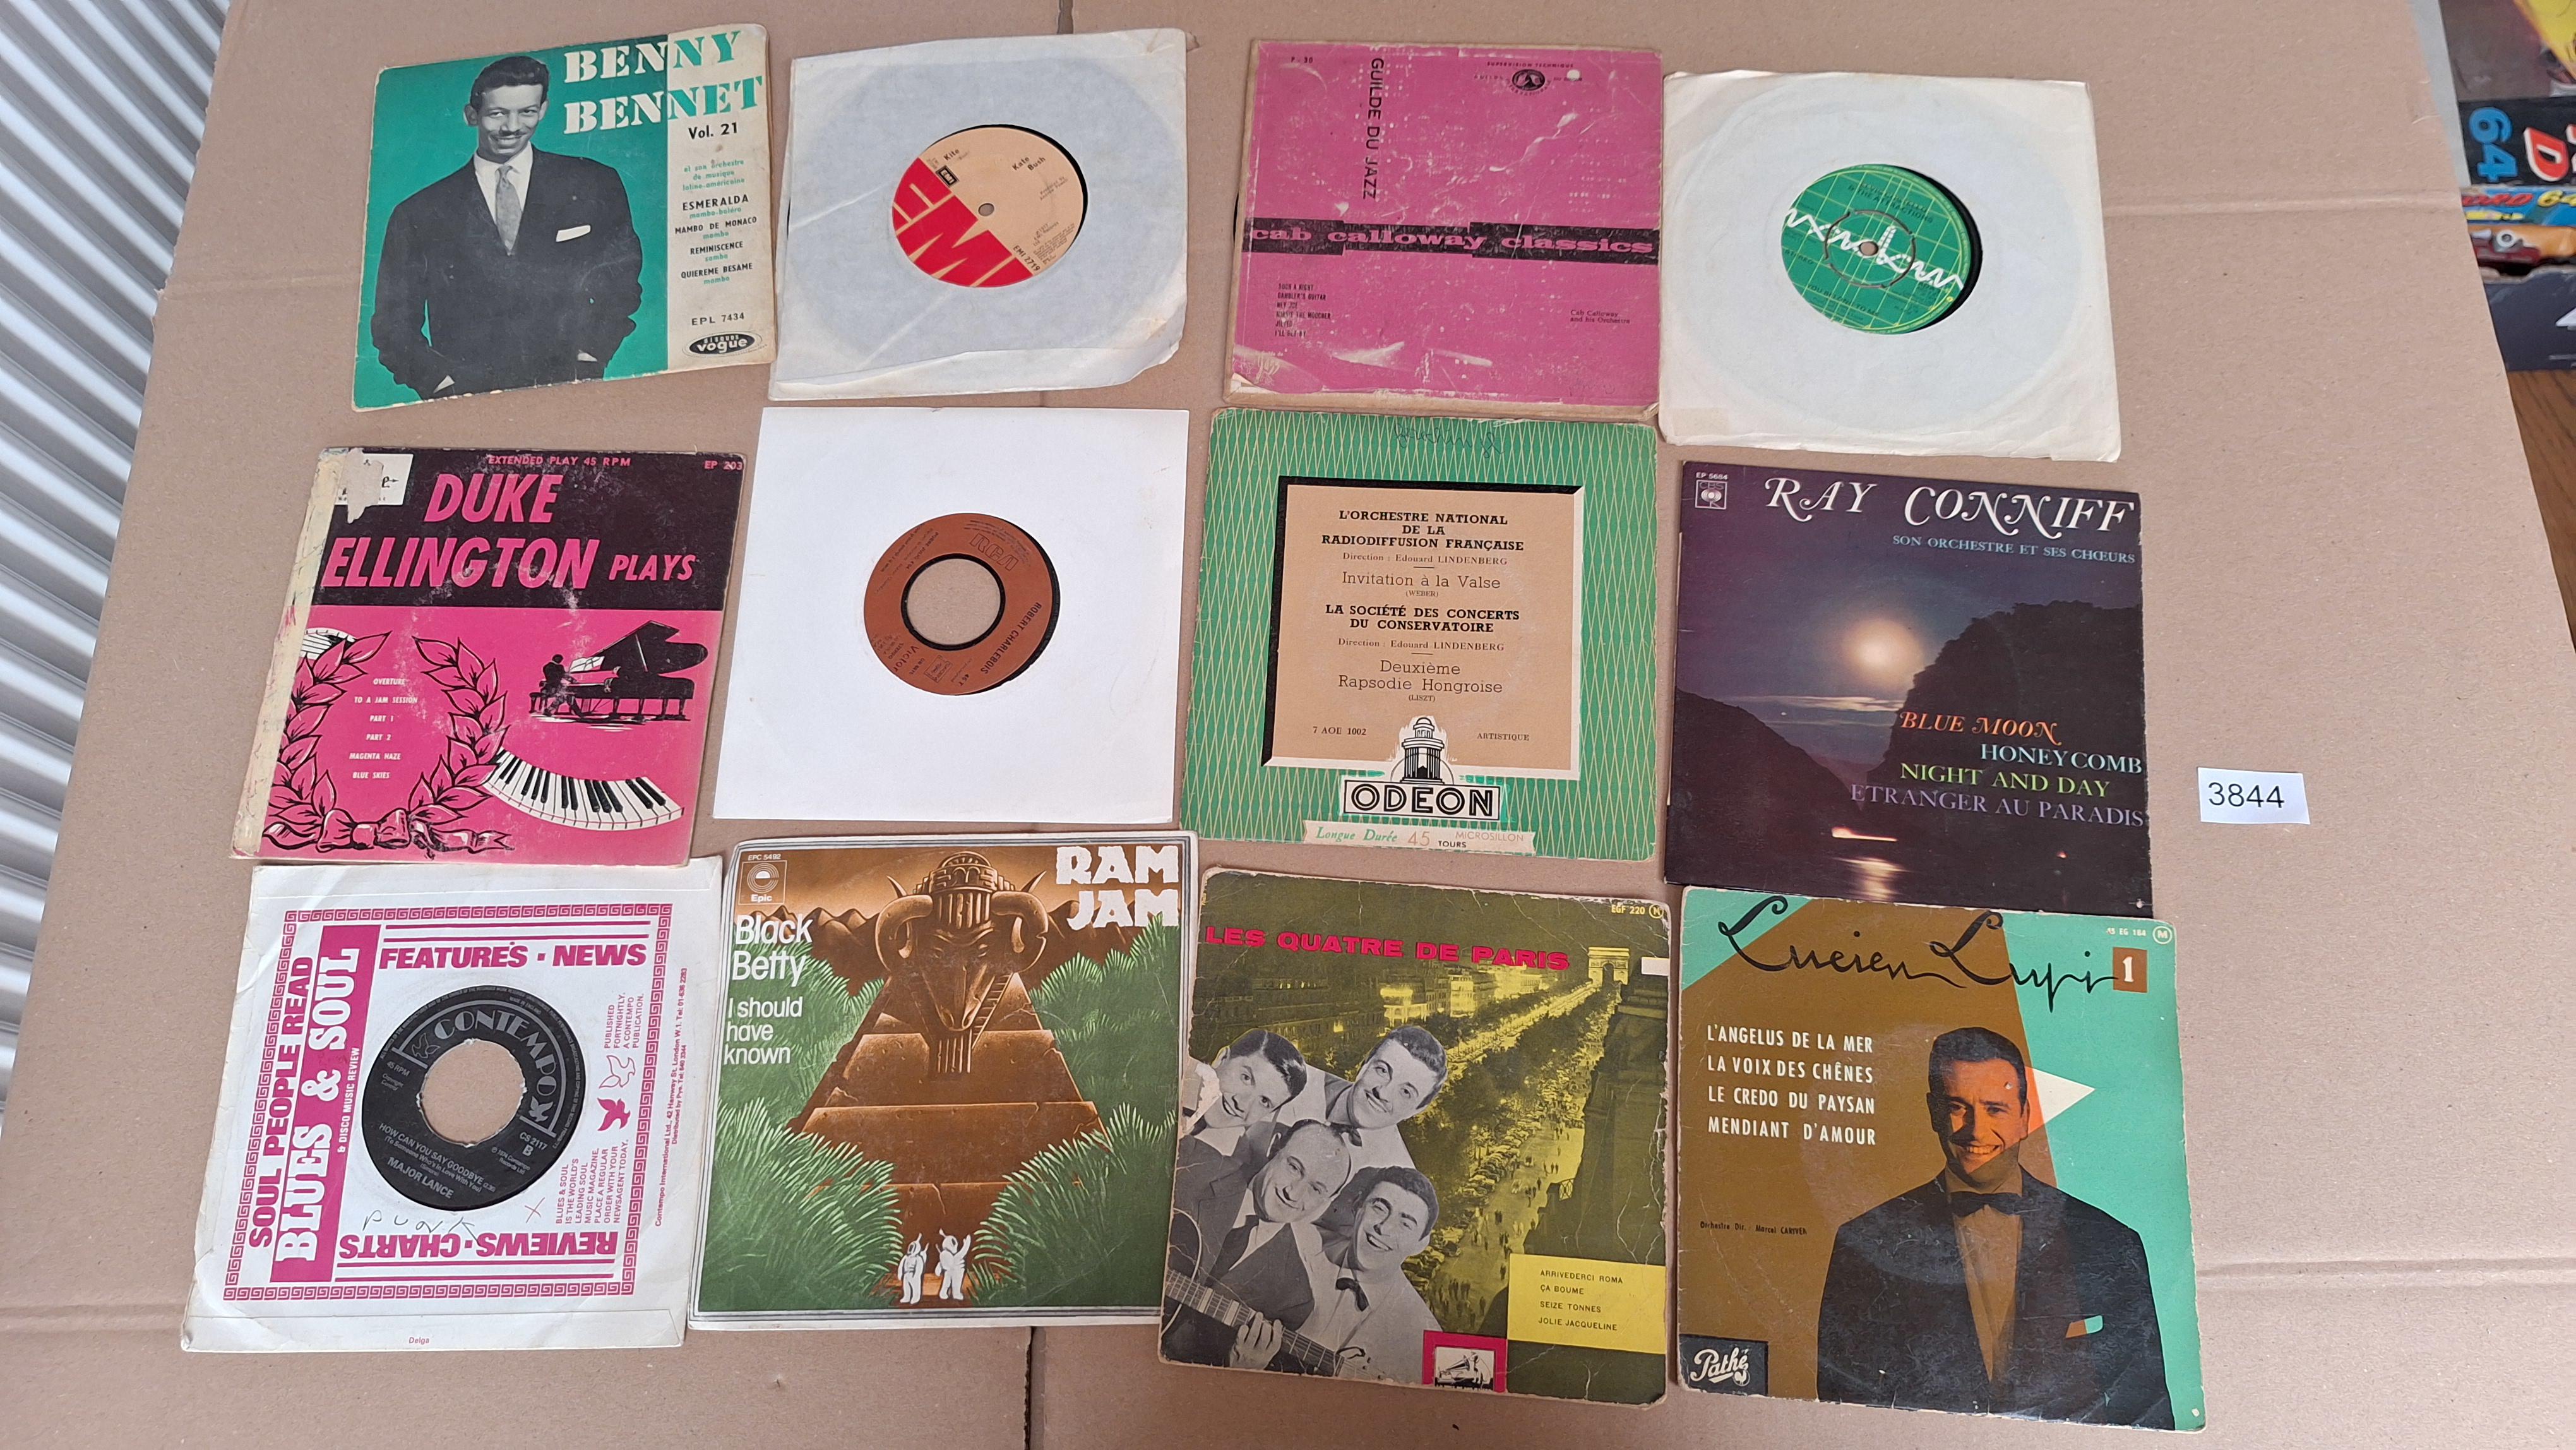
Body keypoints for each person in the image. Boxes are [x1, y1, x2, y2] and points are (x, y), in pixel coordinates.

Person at [1815, 1027, 2171, 1427]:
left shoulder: (2112, 1242)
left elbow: (2149, 1407)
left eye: (1995, 1109)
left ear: (2025, 1116)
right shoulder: (1864, 1243)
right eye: (1958, 1107)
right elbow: (1843, 1406)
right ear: (1933, 1113)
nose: (1976, 1131)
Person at [369, 54, 644, 400]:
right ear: (472, 116)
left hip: (571, 391)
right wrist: (441, 385)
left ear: (543, 110)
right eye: (497, 114)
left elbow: (621, 284)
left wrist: (590, 358)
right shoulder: (418, 213)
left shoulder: (594, 183)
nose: (512, 127)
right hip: (468, 404)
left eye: (527, 112)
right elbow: (392, 326)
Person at [1162, 1118, 1353, 1370]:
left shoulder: (1293, 1300)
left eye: (1316, 1189)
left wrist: (1240, 1371)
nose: (1294, 1194)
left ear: (1328, 1201)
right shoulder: (1190, 1161)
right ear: (1275, 1147)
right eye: (1294, 1168)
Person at [1295, 1167, 1444, 1384]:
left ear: (1420, 1244)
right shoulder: (1300, 1245)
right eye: (1380, 1208)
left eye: (1405, 1224)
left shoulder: (1423, 1337)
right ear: (1358, 1205)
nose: (1384, 1228)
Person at [1293, 1025, 1448, 1173]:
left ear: (1418, 1109)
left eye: (1406, 1092)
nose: (1383, 1093)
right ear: (1365, 1063)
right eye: (1383, 1071)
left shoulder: (1396, 1171)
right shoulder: (1294, 1084)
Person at [1176, 1029, 1308, 1170]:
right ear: (1222, 1058)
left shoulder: (1226, 1164)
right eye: (1246, 1078)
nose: (1242, 1104)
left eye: (1264, 1101)